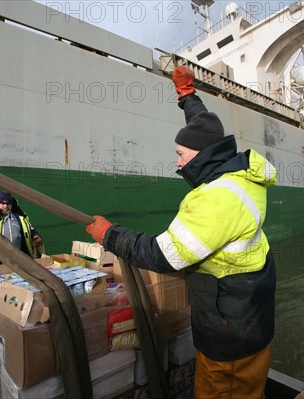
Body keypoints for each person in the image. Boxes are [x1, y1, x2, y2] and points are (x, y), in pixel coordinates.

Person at [85, 66, 277, 398]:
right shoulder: (236, 170)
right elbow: (203, 128)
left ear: (201, 155)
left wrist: (109, 236)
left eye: (180, 155)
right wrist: (188, 96)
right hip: (247, 313)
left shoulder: (217, 199)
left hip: (230, 334)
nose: (176, 163)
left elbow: (166, 255)